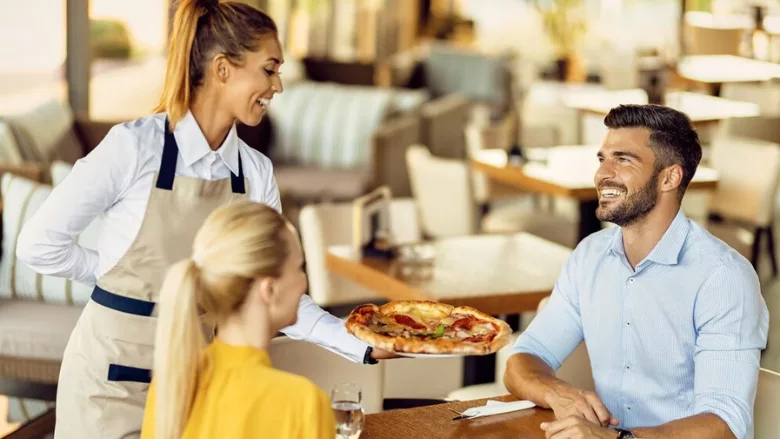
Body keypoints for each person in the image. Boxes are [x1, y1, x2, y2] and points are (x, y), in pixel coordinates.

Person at [15, 1, 391, 438]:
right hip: (109, 387)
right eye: (269, 69)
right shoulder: (134, 148)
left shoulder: (253, 173)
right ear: (223, 69)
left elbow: (271, 291)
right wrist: (112, 273)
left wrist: (362, 344)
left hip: (199, 387)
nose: (279, 86)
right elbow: (38, 244)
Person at [503, 104, 769, 439]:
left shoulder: (723, 278)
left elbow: (726, 423)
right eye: (602, 159)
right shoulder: (590, 256)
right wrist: (558, 393)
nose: (603, 174)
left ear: (669, 177)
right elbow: (523, 360)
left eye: (624, 159)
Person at [140, 200, 335, 439]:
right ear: (269, 290)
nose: (303, 280)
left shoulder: (170, 384)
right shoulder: (304, 404)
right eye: (298, 267)